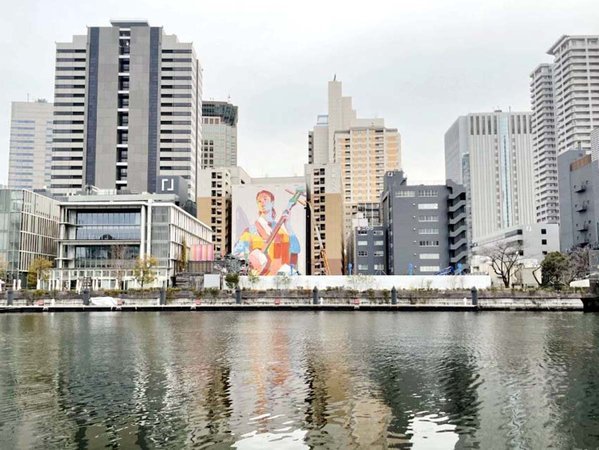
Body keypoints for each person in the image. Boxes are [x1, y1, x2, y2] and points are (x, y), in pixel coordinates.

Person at [233, 190, 301, 275]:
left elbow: (295, 250)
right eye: (259, 201)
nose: (262, 203)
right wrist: (250, 259)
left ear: (272, 203)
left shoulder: (281, 231)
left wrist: (288, 226)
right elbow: (237, 254)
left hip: (280, 279)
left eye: (266, 199)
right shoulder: (250, 231)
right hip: (258, 279)